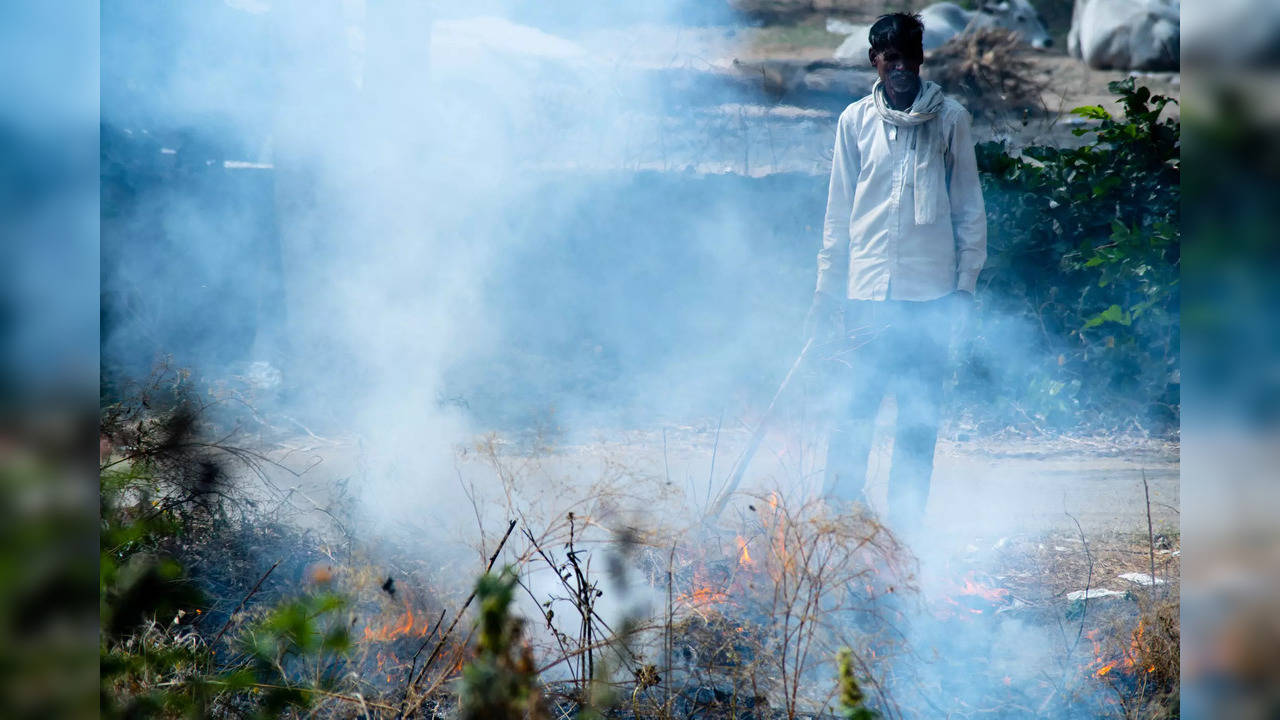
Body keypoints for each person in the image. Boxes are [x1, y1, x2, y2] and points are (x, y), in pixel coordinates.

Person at [804, 12, 987, 535]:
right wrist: (825, 291)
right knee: (854, 416)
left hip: (929, 300)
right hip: (866, 298)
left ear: (922, 58)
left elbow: (968, 210)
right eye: (890, 58)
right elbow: (838, 215)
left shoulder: (950, 120)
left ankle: (905, 538)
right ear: (875, 63)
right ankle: (838, 534)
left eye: (910, 56)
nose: (901, 67)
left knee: (917, 423)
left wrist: (964, 289)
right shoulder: (854, 121)